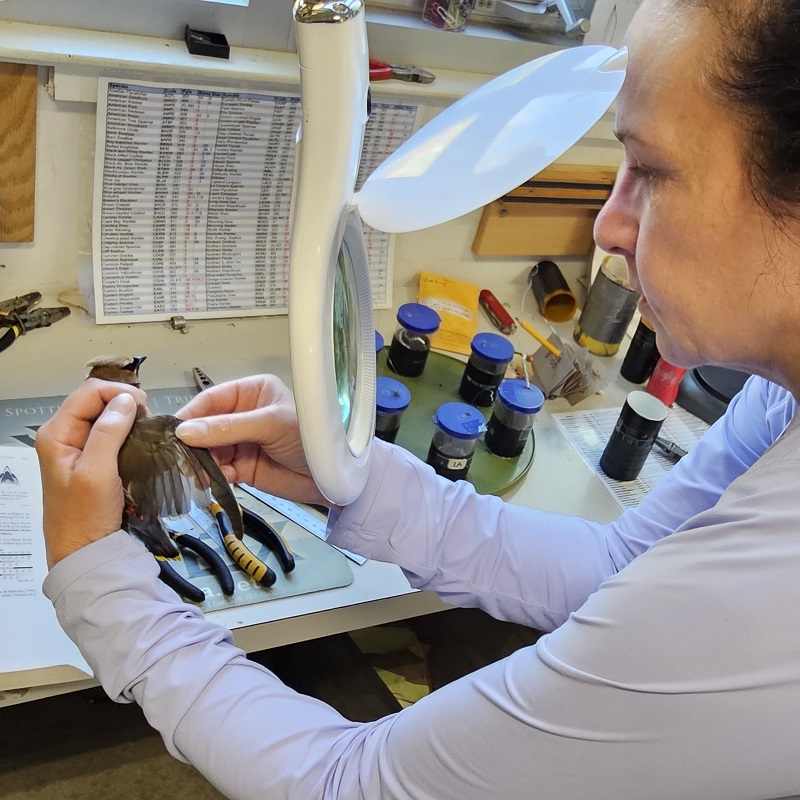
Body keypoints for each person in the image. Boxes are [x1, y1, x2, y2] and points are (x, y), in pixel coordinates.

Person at [34, 0, 800, 797]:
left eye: (652, 171)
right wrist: (351, 474)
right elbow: (613, 567)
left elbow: (349, 785)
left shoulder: (769, 599)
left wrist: (97, 579)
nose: (607, 226)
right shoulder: (782, 388)